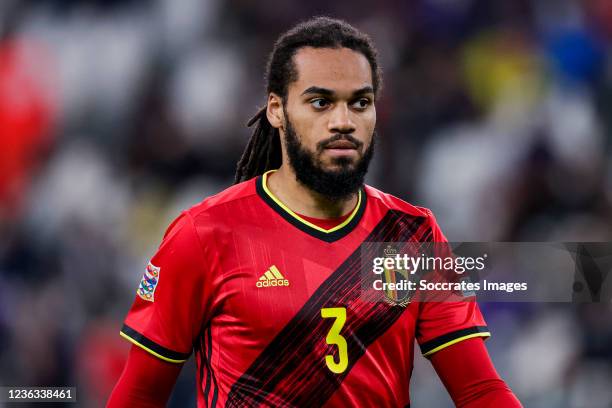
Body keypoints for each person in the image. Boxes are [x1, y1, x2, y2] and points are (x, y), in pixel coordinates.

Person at [107, 16, 521, 407]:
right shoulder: (205, 233)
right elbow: (140, 394)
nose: (343, 121)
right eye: (320, 102)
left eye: (360, 103)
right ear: (276, 111)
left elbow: (479, 389)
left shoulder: (409, 235)